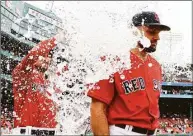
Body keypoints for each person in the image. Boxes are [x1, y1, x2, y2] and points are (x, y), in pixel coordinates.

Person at [87, 11, 171, 135]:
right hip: (122, 131)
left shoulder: (156, 65)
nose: (157, 38)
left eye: (158, 33)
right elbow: (97, 109)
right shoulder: (113, 61)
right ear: (135, 32)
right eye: (152, 32)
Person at [12, 32, 66, 128]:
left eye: (49, 56)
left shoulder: (51, 83)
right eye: (43, 55)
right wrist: (55, 39)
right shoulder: (23, 75)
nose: (46, 59)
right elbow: (33, 54)